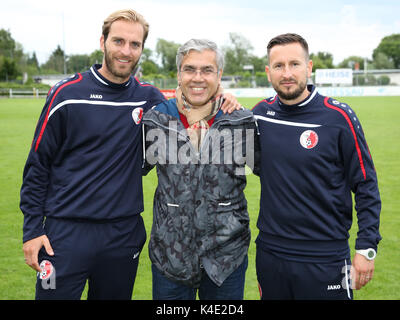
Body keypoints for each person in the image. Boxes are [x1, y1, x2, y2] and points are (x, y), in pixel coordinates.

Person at [20, 9, 168, 300]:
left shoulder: (150, 99)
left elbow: (191, 115)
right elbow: (38, 165)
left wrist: (224, 99)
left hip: (123, 235)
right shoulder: (66, 94)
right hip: (64, 235)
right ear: (103, 42)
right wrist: (32, 230)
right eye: (118, 41)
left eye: (134, 44)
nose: (126, 51)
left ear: (141, 49)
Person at [252, 33, 381, 300]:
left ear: (309, 67)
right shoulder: (259, 116)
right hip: (271, 253)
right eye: (278, 66)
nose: (287, 73)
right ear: (268, 72)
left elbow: (366, 183)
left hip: (325, 256)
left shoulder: (339, 117)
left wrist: (367, 248)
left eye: (294, 64)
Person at [142, 39, 258, 300]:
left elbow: (270, 172)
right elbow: (131, 170)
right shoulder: (157, 120)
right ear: (179, 74)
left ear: (219, 75)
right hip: (170, 259)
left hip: (226, 260)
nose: (198, 78)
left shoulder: (241, 122)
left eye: (207, 70)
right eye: (189, 69)